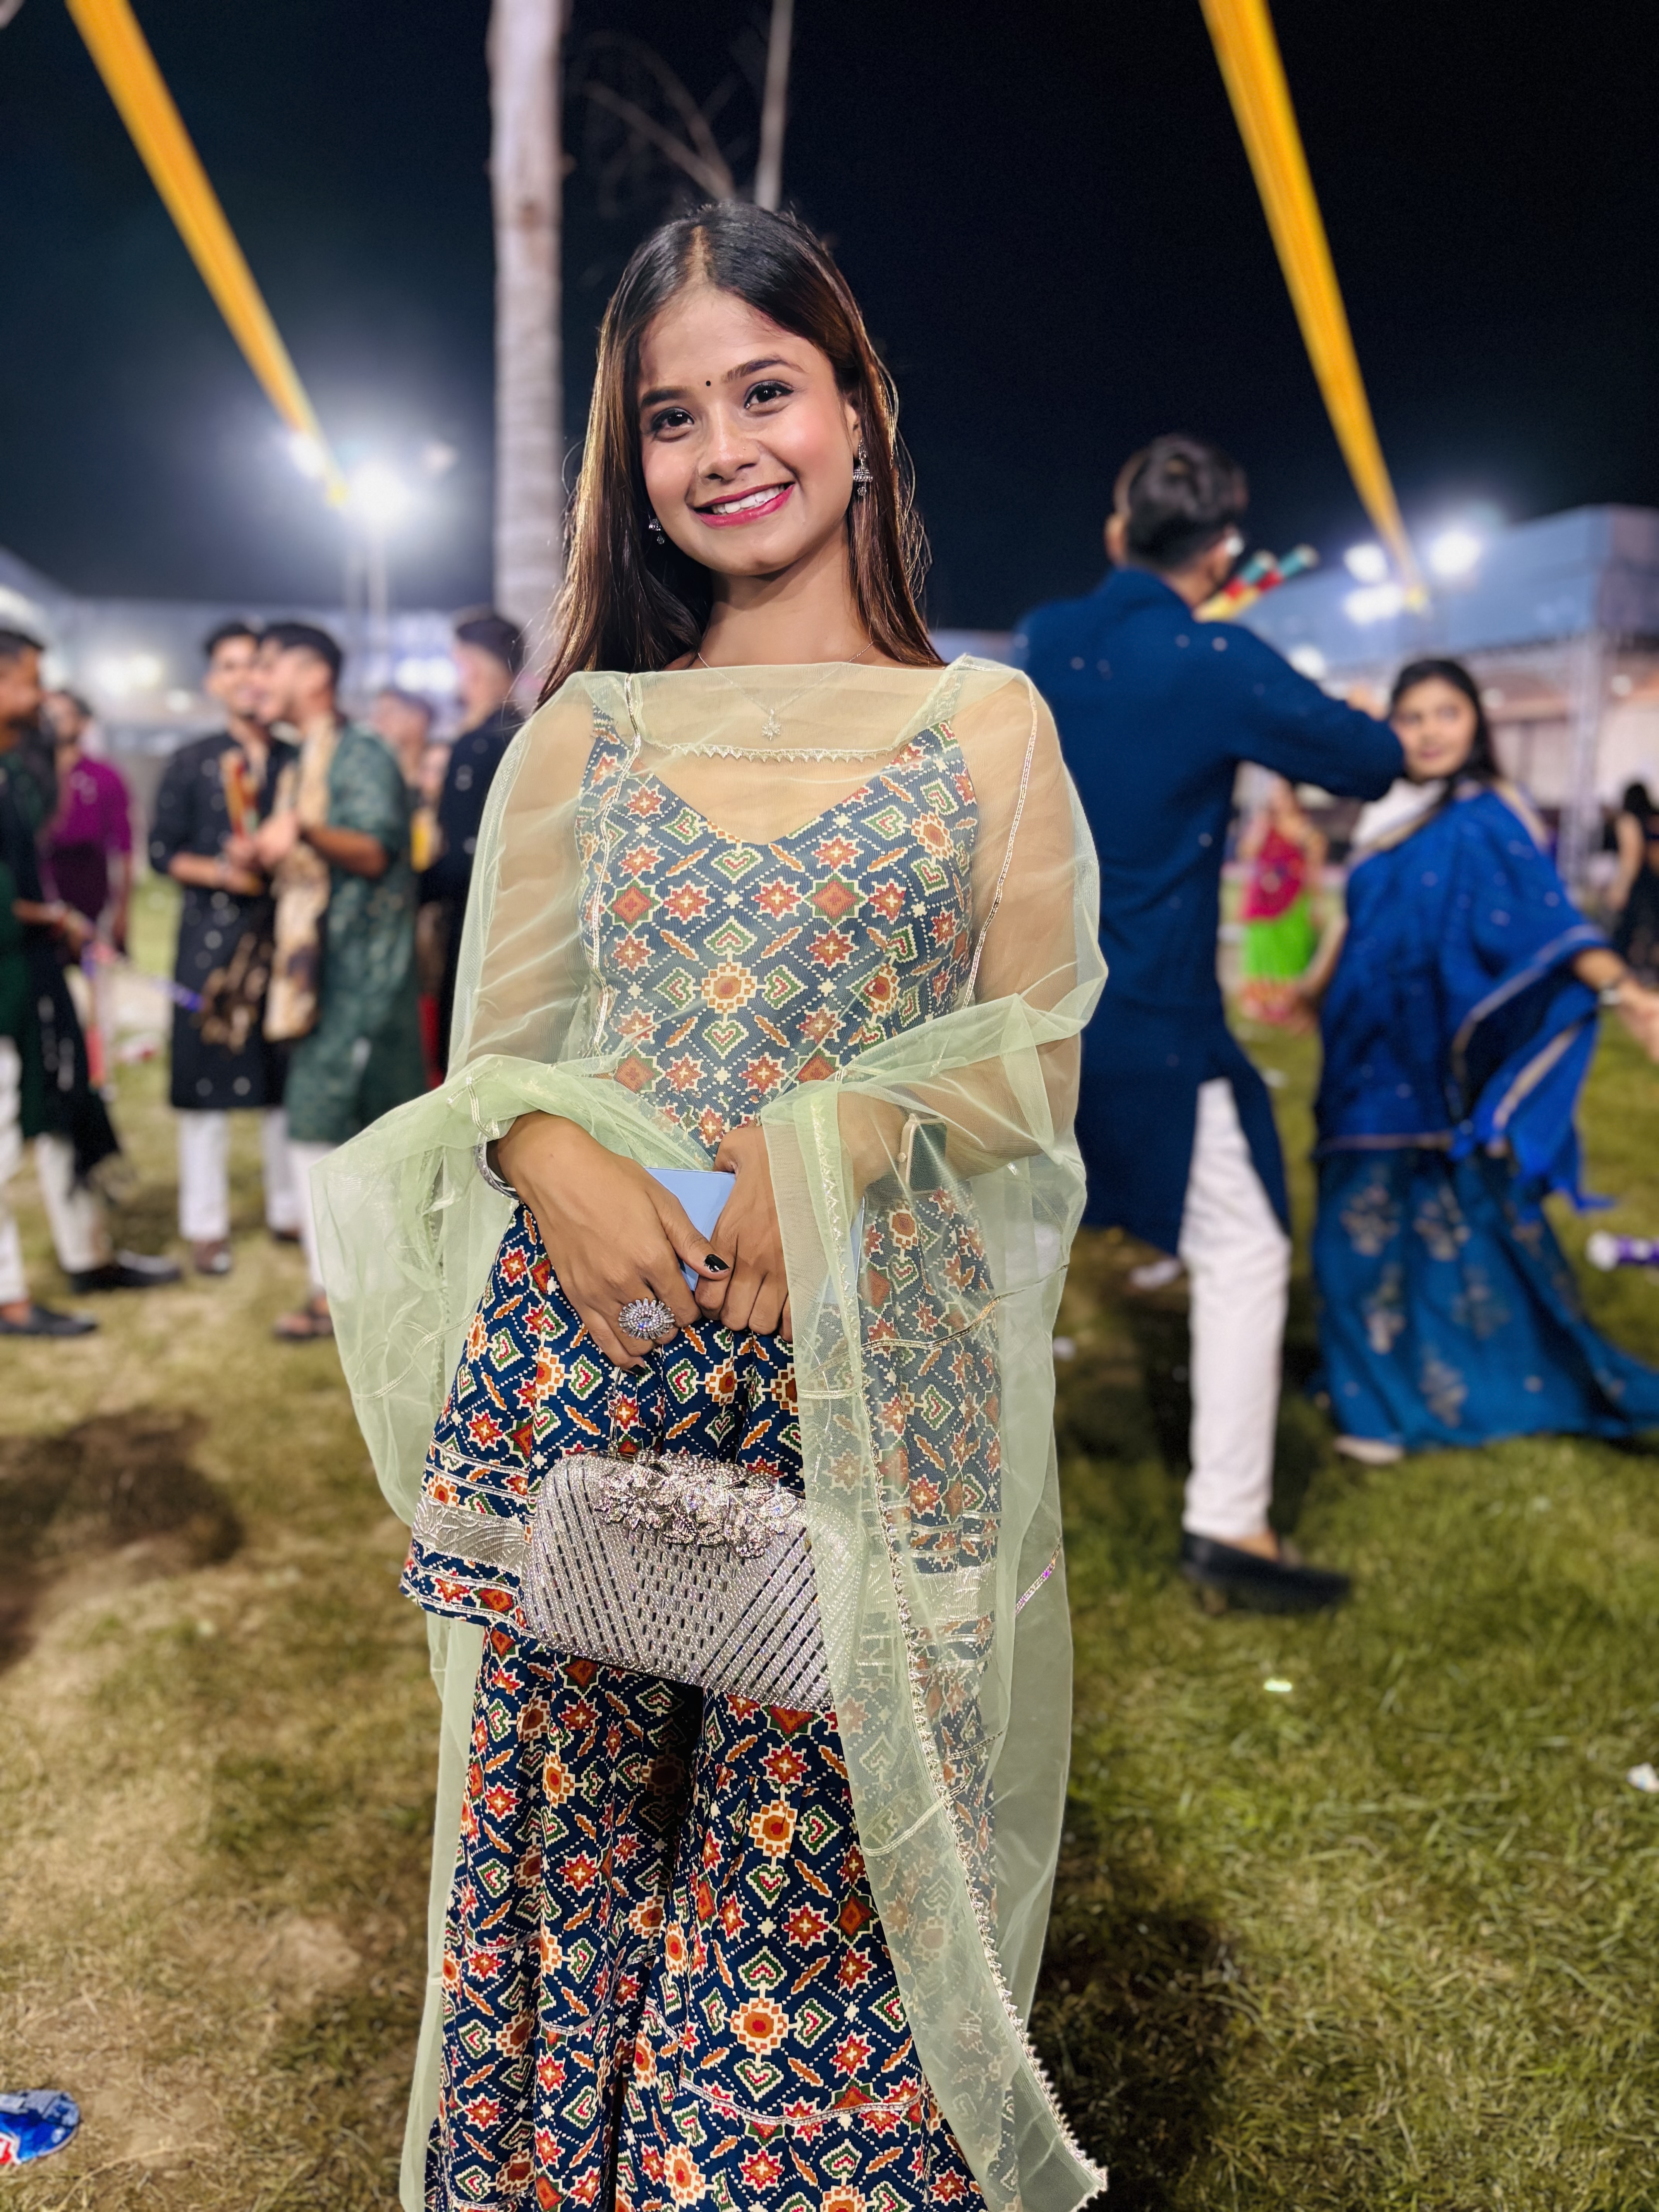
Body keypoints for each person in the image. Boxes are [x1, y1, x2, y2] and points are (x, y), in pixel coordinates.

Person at [313, 203, 1106, 2212]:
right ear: (631, 462)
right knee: (556, 1851)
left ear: (859, 411)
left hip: (863, 1378)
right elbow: (491, 1060)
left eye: (766, 391)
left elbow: (1037, 1063)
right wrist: (544, 1152)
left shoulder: (985, 725)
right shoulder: (586, 729)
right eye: (671, 417)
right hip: (596, 1354)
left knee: (816, 1869)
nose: (724, 448)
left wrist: (845, 1123)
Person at [1015, 434, 1402, 1613]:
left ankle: (953, 1498)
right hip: (1151, 1017)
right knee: (1243, 1248)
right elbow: (1372, 759)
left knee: (1013, 1255)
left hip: (1026, 1011)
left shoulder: (1045, 638)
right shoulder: (1216, 657)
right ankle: (1229, 1524)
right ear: (1225, 553)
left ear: (1116, 531)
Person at [1304, 658, 1659, 1458]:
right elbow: (1354, 918)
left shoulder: (1487, 815)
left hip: (1426, 1060)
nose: (1429, 731)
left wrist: (1627, 991)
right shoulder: (1387, 812)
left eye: (1447, 713)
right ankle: (1382, 1382)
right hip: (1358, 1051)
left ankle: (1382, 1409)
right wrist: (1309, 989)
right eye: (1412, 716)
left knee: (1394, 1231)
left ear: (1475, 723)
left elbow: (1546, 921)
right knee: (1366, 1230)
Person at [237, 622, 423, 1340]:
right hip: (320, 977)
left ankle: (348, 1298)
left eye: (269, 665)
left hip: (361, 978)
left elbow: (376, 849)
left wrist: (304, 832)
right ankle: (342, 1292)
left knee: (344, 1132)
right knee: (322, 1127)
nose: (257, 681)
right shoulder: (301, 759)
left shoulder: (360, 750)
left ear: (314, 673)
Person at [0, 629, 177, 1331]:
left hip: (35, 974)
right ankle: (8, 1297)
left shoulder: (18, 769)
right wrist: (48, 915)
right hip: (9, 981)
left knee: (67, 1113)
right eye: (29, 680)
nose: (42, 696)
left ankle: (90, 1255)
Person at [148, 621, 299, 1276]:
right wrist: (221, 872)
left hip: (282, 937)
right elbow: (162, 852)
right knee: (203, 1074)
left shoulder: (296, 758)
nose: (246, 679)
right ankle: (205, 1224)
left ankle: (289, 1208)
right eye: (232, 666)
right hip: (210, 939)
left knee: (282, 1075)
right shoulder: (192, 759)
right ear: (214, 681)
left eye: (256, 665)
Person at [420, 608, 524, 1072]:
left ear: (472, 666)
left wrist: (409, 885)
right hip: (518, 926)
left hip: (474, 925)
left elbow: (462, 857)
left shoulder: (476, 744)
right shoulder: (526, 730)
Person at [1236, 775, 1326, 1025]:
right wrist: (1260, 828)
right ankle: (1260, 1002)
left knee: (1290, 951)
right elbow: (1247, 853)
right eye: (1274, 794)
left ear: (1294, 797)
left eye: (1282, 793)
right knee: (1261, 950)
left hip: (1293, 901)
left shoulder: (1306, 830)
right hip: (1262, 900)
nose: (1277, 799)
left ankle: (1288, 1003)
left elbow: (1315, 869)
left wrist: (1317, 905)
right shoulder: (1264, 825)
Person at [1608, 778, 1659, 982]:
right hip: (1655, 884)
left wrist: (1620, 888)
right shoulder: (1654, 819)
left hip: (1639, 886)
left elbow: (1631, 856)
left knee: (1624, 933)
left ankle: (1619, 978)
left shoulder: (1628, 820)